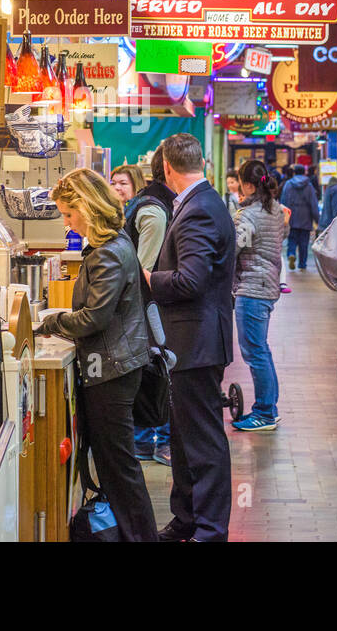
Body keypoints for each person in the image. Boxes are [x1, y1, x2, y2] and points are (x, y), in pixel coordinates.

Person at [36, 168, 157, 541]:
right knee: (115, 464)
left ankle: (140, 536)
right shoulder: (114, 245)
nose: (68, 223)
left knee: (118, 466)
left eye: (69, 215)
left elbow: (94, 318)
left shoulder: (107, 253)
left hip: (111, 371)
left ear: (87, 208)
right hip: (115, 366)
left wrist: (51, 322)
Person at [147, 133, 236, 542]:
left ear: (167, 167)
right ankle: (186, 518)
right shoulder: (202, 202)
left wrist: (148, 278)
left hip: (196, 342)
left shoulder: (198, 209)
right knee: (183, 437)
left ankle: (211, 528)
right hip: (190, 342)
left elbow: (191, 281)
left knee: (202, 441)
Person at [111, 163, 171, 464]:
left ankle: (161, 441)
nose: (117, 188)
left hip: (150, 305)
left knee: (156, 369)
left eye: (123, 182)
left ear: (136, 183)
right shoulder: (129, 212)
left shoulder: (147, 211)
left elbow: (142, 266)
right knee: (147, 368)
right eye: (113, 183)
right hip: (142, 304)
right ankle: (145, 440)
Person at [230, 159, 288, 432]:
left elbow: (231, 251)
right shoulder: (276, 210)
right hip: (268, 286)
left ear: (248, 185)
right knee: (261, 350)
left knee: (255, 352)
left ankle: (264, 412)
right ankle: (269, 408)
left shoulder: (248, 215)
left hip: (252, 288)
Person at [132, 146, 176, 462]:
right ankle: (158, 441)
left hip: (148, 307)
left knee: (153, 367)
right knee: (159, 369)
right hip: (151, 307)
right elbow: (143, 268)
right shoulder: (156, 210)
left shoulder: (149, 203)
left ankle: (147, 440)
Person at [279, 163, 317, 271]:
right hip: (306, 218)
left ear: (294, 172)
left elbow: (283, 201)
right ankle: (302, 264)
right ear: (304, 172)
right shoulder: (309, 186)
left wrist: (283, 217)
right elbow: (313, 203)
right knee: (304, 242)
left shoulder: (288, 184)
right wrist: (317, 219)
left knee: (292, 238)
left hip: (292, 217)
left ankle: (291, 253)